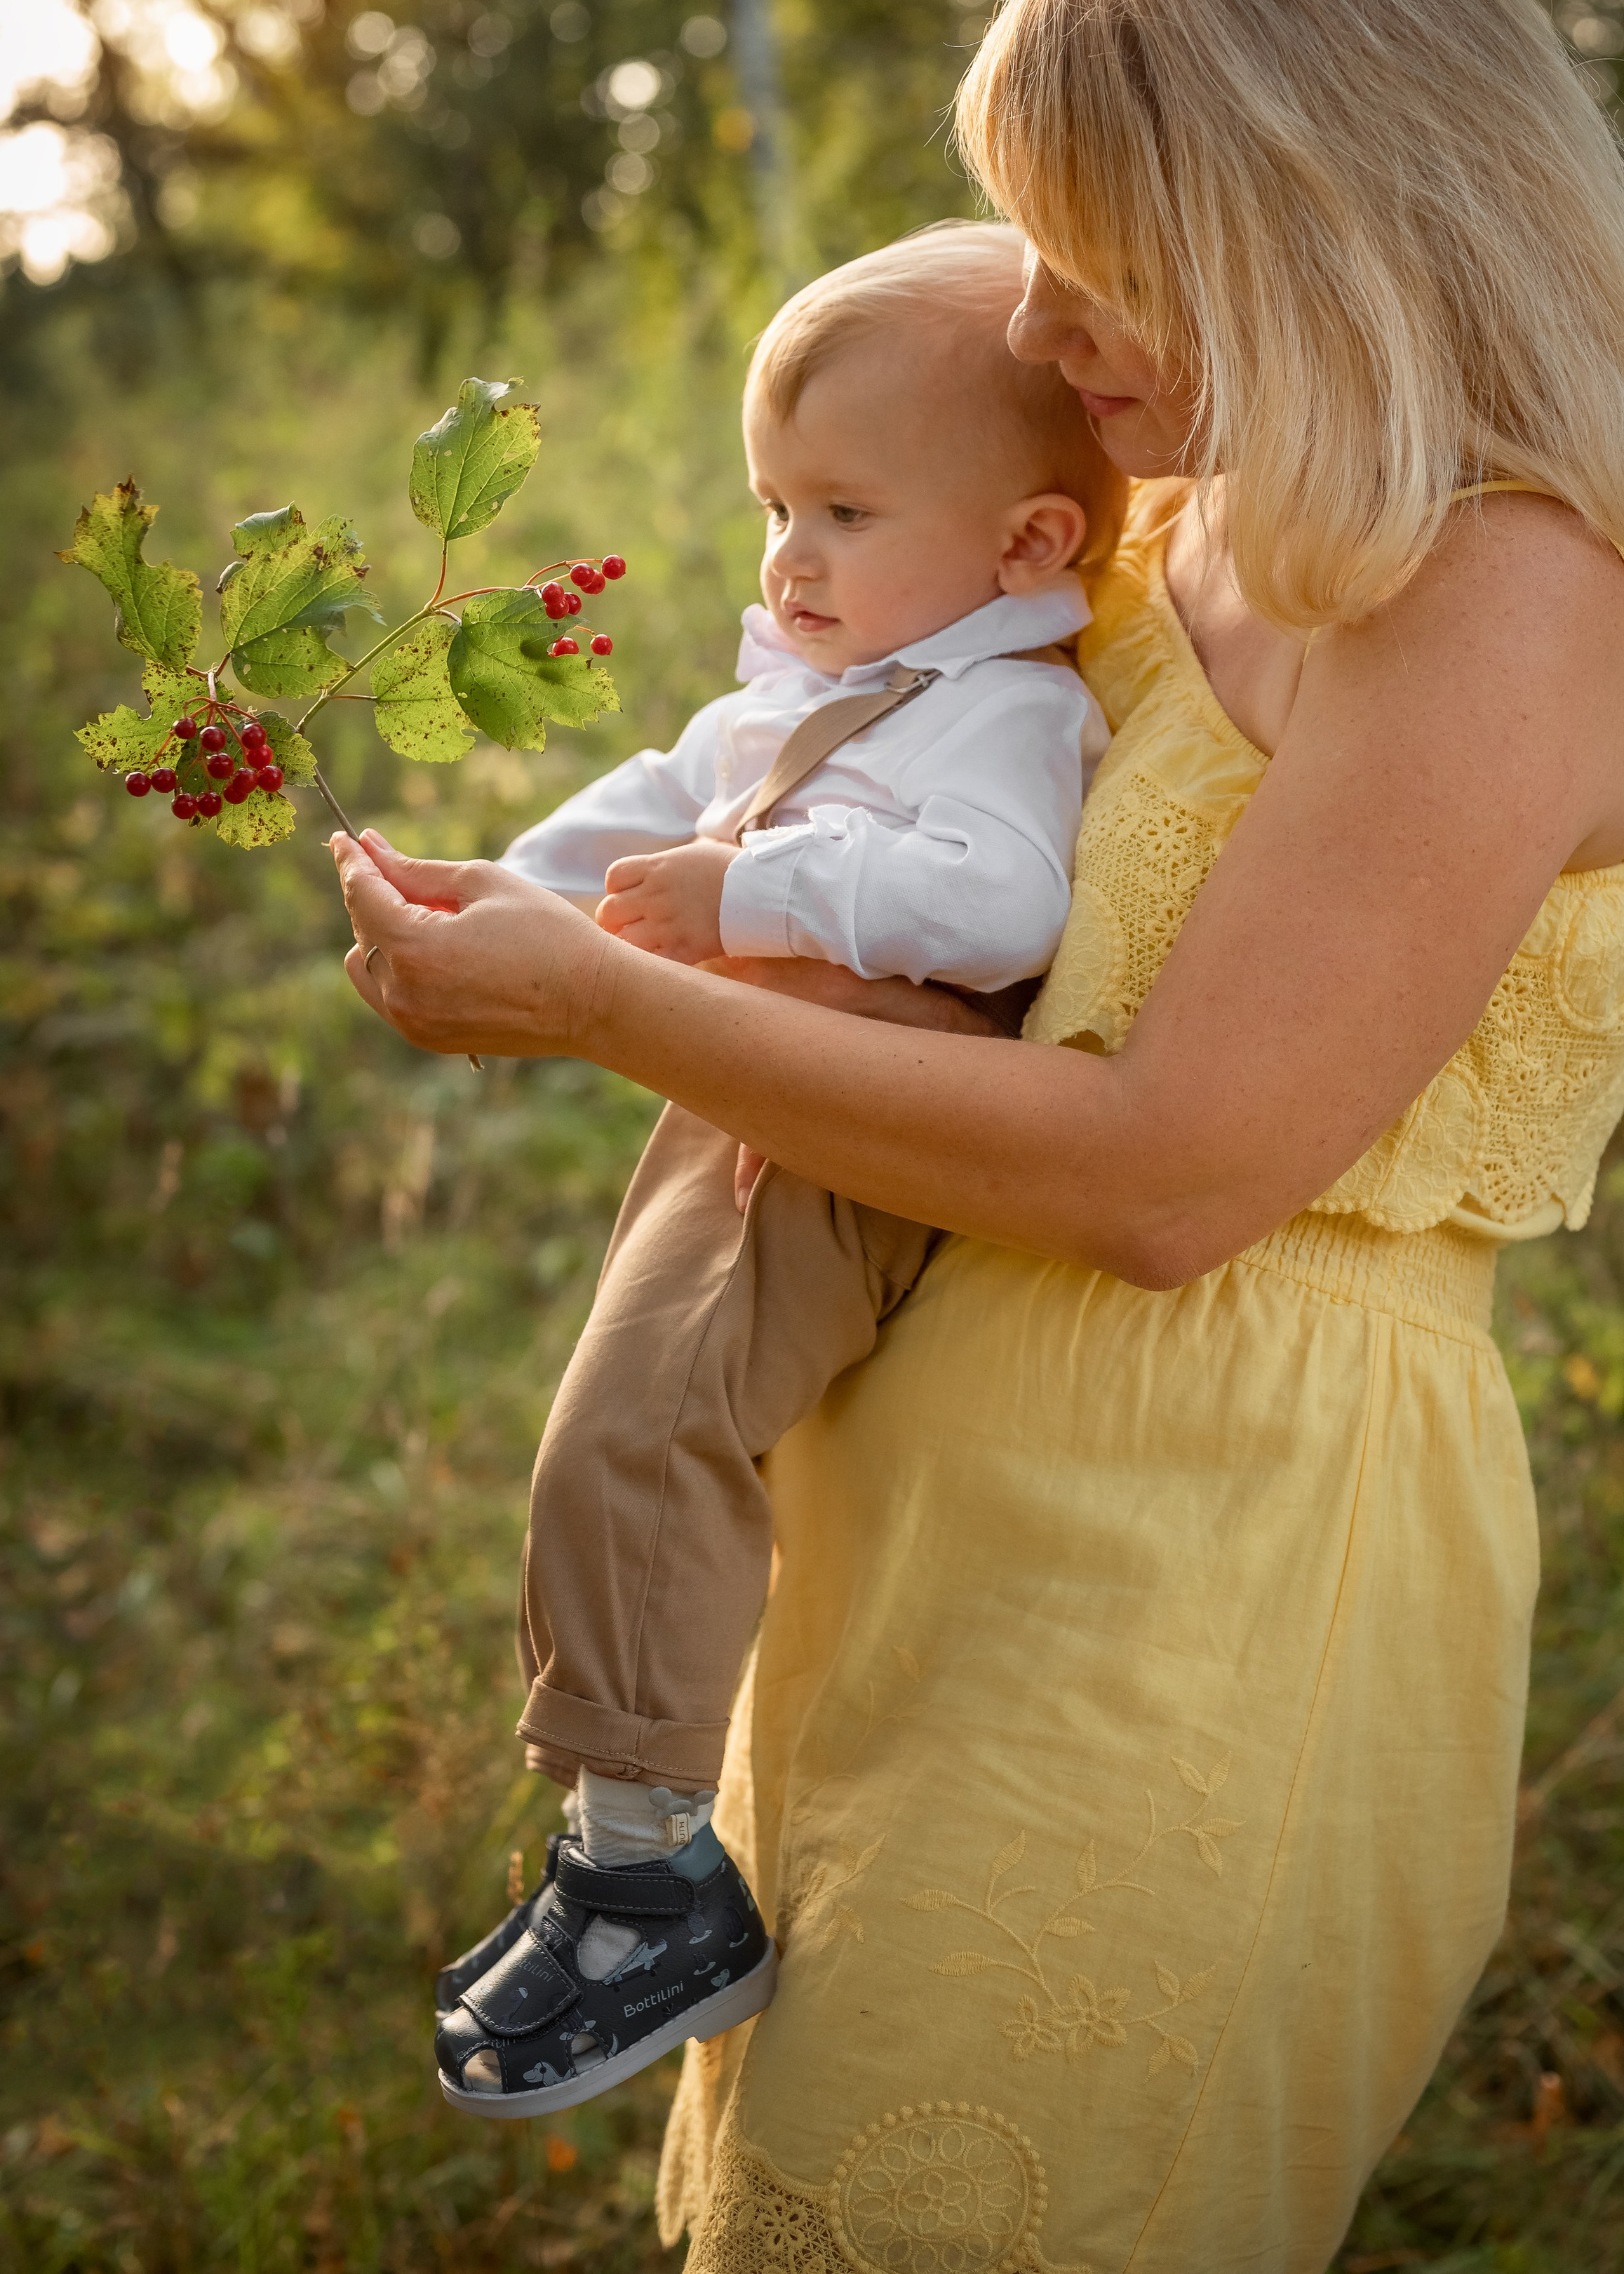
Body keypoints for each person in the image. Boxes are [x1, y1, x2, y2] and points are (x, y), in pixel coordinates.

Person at [335, 0, 1624, 2268]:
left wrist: (606, 1006)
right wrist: (583, 896)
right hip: (919, 1503)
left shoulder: (1498, 594)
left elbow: (1169, 1172)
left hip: (1213, 1554)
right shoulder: (1135, 534)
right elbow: (872, 833)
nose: (1036, 314)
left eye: (1103, 254)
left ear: (1318, 236)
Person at [431, 225, 1120, 2118]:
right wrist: (496, 896)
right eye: (774, 507)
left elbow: (1006, 903)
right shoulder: (840, 671)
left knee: (645, 1428)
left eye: (842, 510)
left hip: (848, 1127)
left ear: (1029, 544)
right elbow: (665, 793)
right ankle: (618, 1839)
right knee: (615, 1418)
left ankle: (649, 1882)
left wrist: (755, 892)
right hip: (754, 1101)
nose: (788, 557)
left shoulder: (1004, 706)